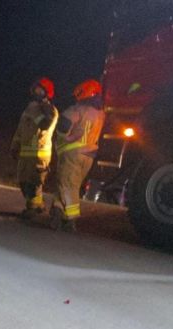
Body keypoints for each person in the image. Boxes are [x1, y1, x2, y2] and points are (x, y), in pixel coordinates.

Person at [50, 79, 105, 232]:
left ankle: (71, 219)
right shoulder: (100, 114)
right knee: (70, 184)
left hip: (72, 154)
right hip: (88, 157)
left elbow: (63, 124)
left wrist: (65, 137)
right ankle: (57, 210)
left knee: (67, 185)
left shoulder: (78, 109)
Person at [10, 77, 58, 219]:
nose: (37, 92)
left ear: (47, 92)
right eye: (35, 89)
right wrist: (14, 145)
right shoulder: (30, 108)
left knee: (34, 183)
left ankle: (34, 208)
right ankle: (37, 205)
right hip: (25, 153)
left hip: (39, 153)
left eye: (40, 90)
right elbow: (20, 129)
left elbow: (45, 125)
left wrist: (35, 112)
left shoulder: (51, 110)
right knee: (23, 182)